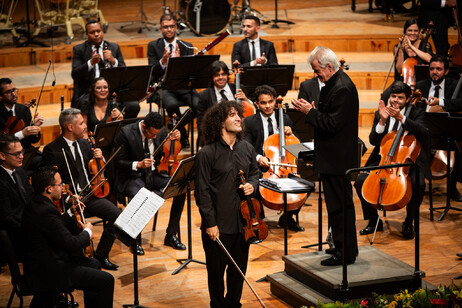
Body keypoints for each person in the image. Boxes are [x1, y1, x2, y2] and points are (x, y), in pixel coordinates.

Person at [292, 46, 359, 266]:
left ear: (329, 67)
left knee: (341, 207)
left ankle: (346, 252)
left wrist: (309, 113)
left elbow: (332, 124)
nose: (315, 75)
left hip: (338, 160)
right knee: (335, 207)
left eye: (317, 70)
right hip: (332, 158)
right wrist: (314, 111)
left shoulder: (342, 88)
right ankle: (340, 247)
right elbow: (329, 117)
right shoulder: (333, 83)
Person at [41, 108, 125, 270]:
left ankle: (101, 254)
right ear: (70, 127)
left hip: (90, 194)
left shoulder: (85, 144)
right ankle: (78, 261)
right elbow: (48, 183)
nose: (86, 126)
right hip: (69, 200)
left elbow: (98, 169)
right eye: (81, 123)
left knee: (117, 216)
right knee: (71, 226)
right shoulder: (52, 150)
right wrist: (68, 198)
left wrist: (101, 159)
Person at [195, 100, 259, 307]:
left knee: (238, 273)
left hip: (244, 224)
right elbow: (202, 192)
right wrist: (210, 223)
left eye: (238, 114)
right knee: (216, 274)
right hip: (219, 226)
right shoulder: (207, 153)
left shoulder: (247, 148)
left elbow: (255, 173)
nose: (238, 118)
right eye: (232, 115)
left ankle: (234, 304)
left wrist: (252, 184)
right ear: (220, 122)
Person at [22, 166, 114, 308]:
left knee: (95, 264)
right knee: (107, 280)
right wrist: (88, 231)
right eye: (59, 185)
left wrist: (71, 212)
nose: (63, 188)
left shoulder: (36, 203)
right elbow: (72, 243)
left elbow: (54, 227)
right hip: (51, 272)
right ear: (49, 189)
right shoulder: (46, 211)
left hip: (43, 263)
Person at [354, 81, 431, 240]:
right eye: (393, 96)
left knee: (418, 184)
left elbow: (423, 132)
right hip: (384, 158)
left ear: (407, 98)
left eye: (400, 97)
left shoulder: (417, 111)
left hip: (409, 159)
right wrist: (382, 121)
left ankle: (409, 223)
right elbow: (373, 141)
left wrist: (402, 118)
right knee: (360, 181)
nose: (396, 100)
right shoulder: (381, 112)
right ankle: (374, 221)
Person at [114, 111, 187, 250]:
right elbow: (117, 162)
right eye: (152, 134)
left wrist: (175, 140)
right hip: (133, 176)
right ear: (144, 127)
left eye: (157, 134)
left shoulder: (160, 131)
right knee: (139, 196)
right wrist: (138, 164)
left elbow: (168, 151)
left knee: (180, 188)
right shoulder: (126, 133)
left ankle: (171, 235)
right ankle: (135, 240)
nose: (155, 137)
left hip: (153, 174)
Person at [243, 85, 304, 231]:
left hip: (282, 162)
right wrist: (258, 158)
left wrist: (292, 134)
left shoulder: (285, 118)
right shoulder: (250, 122)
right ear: (257, 104)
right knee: (253, 181)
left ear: (275, 101)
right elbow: (246, 146)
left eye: (270, 102)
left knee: (299, 184)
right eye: (263, 103)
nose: (268, 106)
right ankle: (259, 217)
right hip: (259, 164)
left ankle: (288, 218)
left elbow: (297, 144)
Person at [147, 13, 198, 147]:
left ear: (176, 27)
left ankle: (175, 126)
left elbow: (191, 72)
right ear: (161, 29)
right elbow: (152, 73)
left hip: (184, 87)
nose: (169, 29)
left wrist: (180, 62)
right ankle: (183, 134)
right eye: (165, 27)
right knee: (171, 105)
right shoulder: (153, 46)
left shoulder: (186, 46)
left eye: (171, 26)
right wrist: (163, 61)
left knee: (199, 104)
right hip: (165, 87)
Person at [416, 55, 462, 202]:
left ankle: (452, 187)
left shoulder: (454, 85)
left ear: (446, 71)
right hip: (426, 129)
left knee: (459, 150)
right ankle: (419, 184)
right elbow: (416, 108)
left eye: (439, 69)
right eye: (432, 69)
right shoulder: (421, 85)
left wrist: (441, 102)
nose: (435, 72)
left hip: (446, 129)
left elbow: (460, 102)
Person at [71, 20, 126, 109]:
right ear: (86, 34)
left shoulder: (114, 47)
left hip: (110, 90)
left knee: (133, 106)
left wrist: (112, 60)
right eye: (92, 32)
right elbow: (75, 74)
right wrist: (91, 63)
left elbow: (124, 71)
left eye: (98, 31)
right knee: (84, 104)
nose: (96, 34)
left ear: (102, 31)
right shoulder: (79, 49)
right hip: (89, 91)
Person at [197, 60, 249, 147]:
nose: (220, 77)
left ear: (227, 75)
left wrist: (246, 100)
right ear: (212, 77)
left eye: (223, 74)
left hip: (239, 135)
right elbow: (201, 122)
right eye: (217, 75)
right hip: (216, 138)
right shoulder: (204, 95)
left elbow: (251, 113)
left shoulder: (238, 88)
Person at [0, 78, 44, 171]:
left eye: (14, 90)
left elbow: (33, 140)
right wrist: (22, 134)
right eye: (8, 92)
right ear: (0, 96)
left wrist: (35, 127)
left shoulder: (24, 109)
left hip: (25, 152)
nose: (13, 94)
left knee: (46, 160)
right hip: (7, 157)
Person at [0, 134, 32, 260]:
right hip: (15, 233)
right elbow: (6, 217)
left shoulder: (19, 171)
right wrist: (31, 226)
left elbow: (30, 197)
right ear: (2, 155)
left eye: (22, 152)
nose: (22, 157)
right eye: (17, 154)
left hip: (26, 222)